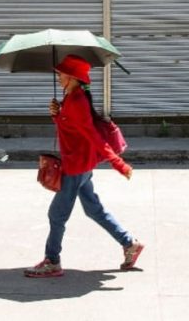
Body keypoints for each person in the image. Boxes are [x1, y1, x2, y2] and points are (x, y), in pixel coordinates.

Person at [24, 54, 144, 278]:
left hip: (75, 166)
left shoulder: (77, 102)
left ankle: (52, 261)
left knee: (56, 215)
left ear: (72, 77)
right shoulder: (72, 98)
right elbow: (70, 129)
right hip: (81, 164)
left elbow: (93, 137)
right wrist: (57, 115)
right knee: (93, 209)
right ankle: (130, 244)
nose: (58, 77)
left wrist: (119, 164)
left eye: (60, 74)